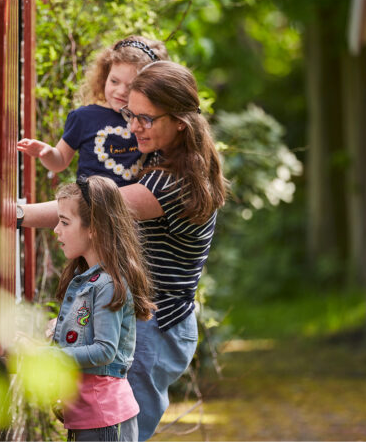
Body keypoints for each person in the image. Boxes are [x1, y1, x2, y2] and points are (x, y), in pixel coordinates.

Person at [19, 61, 227, 441]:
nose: (133, 127)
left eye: (146, 119)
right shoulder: (162, 159)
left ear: (181, 121)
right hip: (145, 320)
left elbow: (93, 207)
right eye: (130, 114)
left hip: (155, 329)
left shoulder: (174, 180)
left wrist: (15, 214)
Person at [48, 175, 156, 442]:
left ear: (92, 228)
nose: (55, 230)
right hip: (91, 416)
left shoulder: (106, 284)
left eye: (64, 222)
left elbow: (105, 350)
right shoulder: (90, 281)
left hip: (104, 417)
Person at [17, 36, 169, 187]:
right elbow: (60, 161)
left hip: (134, 204)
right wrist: (48, 153)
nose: (121, 91)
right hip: (89, 204)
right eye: (114, 81)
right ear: (105, 77)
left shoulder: (150, 121)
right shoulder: (84, 117)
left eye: (131, 86)